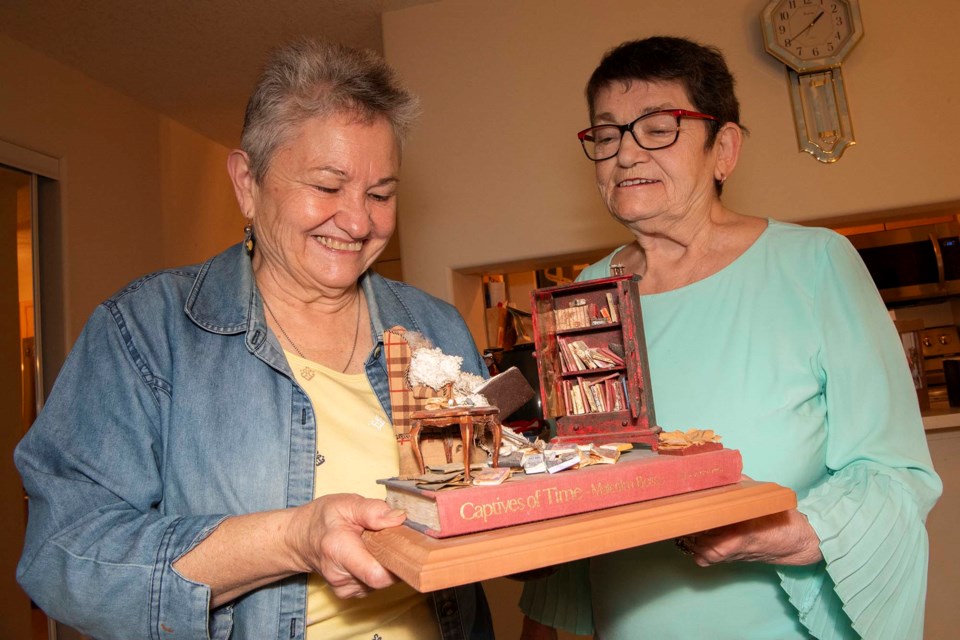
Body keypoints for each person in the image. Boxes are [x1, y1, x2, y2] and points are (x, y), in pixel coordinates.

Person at [15, 39, 493, 640]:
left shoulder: (438, 328)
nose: (358, 221)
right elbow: (63, 559)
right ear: (247, 182)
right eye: (327, 186)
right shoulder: (145, 330)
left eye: (381, 194)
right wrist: (293, 539)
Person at [519, 36, 941, 640]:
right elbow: (581, 475)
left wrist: (793, 532)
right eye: (607, 134)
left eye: (659, 127)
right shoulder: (586, 292)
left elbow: (893, 470)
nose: (626, 154)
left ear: (725, 149)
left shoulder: (815, 264)